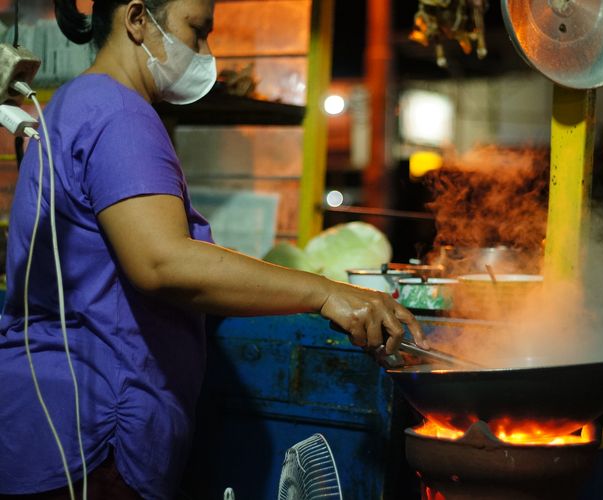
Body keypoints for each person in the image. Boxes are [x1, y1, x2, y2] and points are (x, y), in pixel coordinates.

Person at [0, 1, 426, 499]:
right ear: (137, 19)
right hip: (95, 431)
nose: (204, 52)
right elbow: (163, 262)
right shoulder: (119, 114)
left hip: (44, 421)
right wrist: (326, 293)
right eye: (196, 31)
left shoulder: (73, 104)